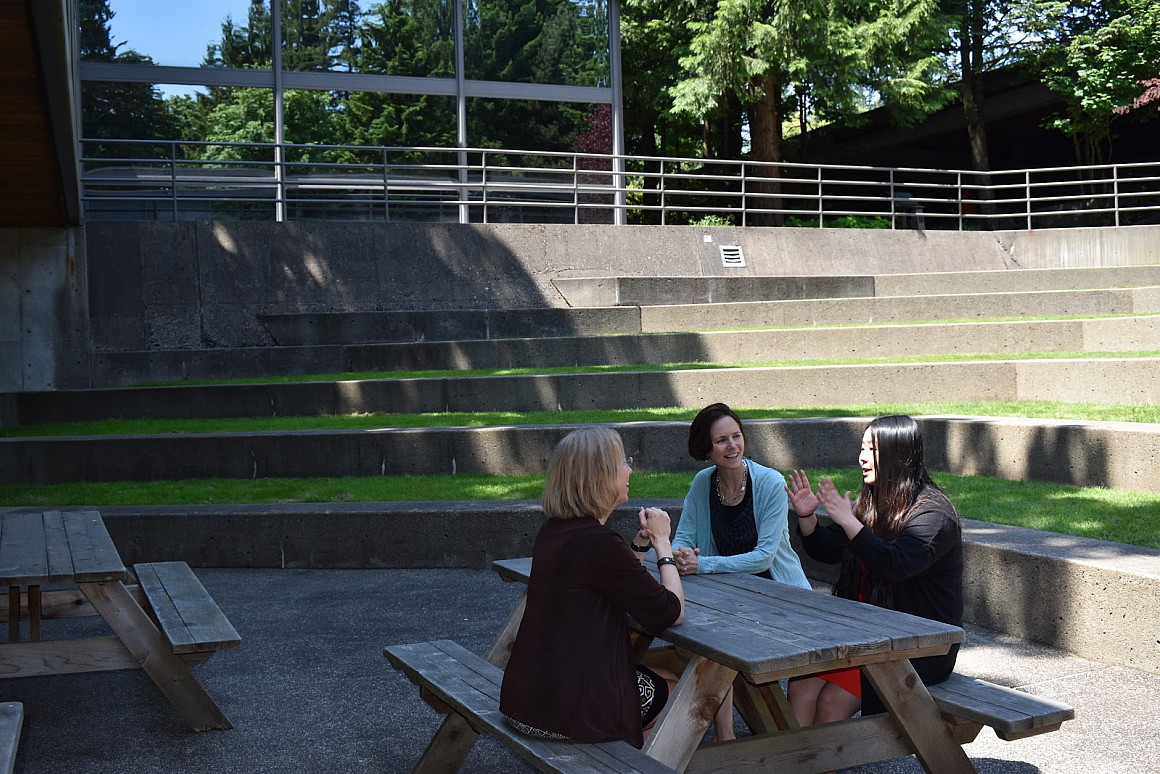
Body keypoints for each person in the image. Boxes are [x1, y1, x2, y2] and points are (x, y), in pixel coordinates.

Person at [500, 427, 685, 748]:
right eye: (622, 463)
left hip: (527, 698)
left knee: (668, 678)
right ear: (600, 476)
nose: (629, 469)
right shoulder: (598, 542)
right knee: (682, 700)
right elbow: (671, 612)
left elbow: (613, 583)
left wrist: (639, 547)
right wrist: (663, 544)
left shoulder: (555, 530)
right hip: (565, 710)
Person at [786, 414, 964, 728]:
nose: (861, 458)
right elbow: (828, 550)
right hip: (868, 637)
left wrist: (849, 521)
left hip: (919, 647)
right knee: (800, 686)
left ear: (898, 455)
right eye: (862, 448)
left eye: (872, 450)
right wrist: (807, 519)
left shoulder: (934, 515)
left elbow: (893, 565)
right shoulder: (873, 503)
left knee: (830, 700)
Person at [670, 402, 811, 741]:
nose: (732, 446)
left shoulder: (770, 483)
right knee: (705, 636)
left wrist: (701, 564)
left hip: (783, 598)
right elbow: (683, 539)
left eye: (736, 437)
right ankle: (725, 734)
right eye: (721, 440)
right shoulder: (703, 483)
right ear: (707, 448)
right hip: (731, 599)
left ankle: (726, 736)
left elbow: (763, 558)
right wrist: (682, 552)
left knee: (717, 640)